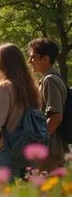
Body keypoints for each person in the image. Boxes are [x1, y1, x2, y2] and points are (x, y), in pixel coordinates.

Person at [0, 43, 41, 180]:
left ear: (3, 63)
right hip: (30, 146)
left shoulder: (5, 87)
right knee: (29, 195)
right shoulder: (32, 88)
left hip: (8, 147)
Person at [27, 38, 69, 172]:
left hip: (51, 150)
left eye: (33, 57)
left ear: (46, 59)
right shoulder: (47, 79)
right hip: (51, 149)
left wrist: (39, 144)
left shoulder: (50, 80)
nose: (29, 61)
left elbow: (56, 116)